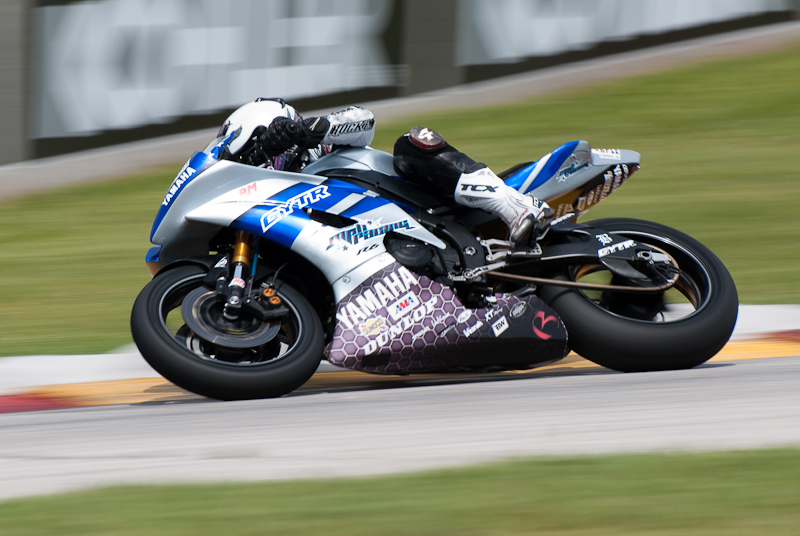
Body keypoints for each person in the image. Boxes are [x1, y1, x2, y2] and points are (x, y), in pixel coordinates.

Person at [216, 97, 551, 247]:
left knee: (410, 144)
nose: (254, 161)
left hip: (424, 202)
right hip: (378, 242)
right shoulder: (275, 202)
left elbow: (365, 120)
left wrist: (308, 131)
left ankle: (513, 204)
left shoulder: (321, 146)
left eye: (255, 150)